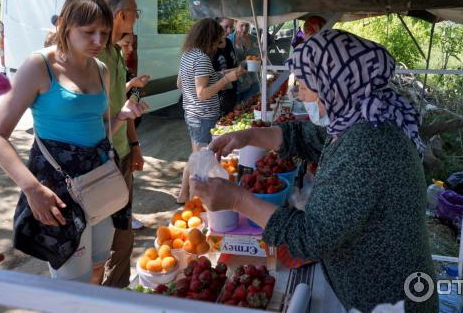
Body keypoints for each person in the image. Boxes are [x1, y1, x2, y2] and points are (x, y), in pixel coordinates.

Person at [194, 29, 438, 312]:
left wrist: (237, 200)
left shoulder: (368, 144)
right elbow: (310, 137)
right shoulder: (367, 118)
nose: (300, 93)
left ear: (333, 86)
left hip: (389, 299)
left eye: (306, 85)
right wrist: (248, 136)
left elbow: (310, 236)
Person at [0, 0, 146, 283]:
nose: (98, 41)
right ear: (65, 27)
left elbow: (98, 133)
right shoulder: (38, 66)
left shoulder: (101, 69)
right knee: (71, 281)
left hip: (100, 183)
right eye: (88, 33)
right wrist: (32, 189)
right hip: (59, 192)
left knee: (98, 265)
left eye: (104, 33)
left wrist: (121, 117)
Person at [93, 0, 149, 287]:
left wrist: (135, 145)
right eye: (135, 14)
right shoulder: (92, 56)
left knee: (123, 241)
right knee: (97, 251)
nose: (136, 19)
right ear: (121, 15)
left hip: (123, 157)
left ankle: (116, 296)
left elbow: (123, 106)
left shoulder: (115, 53)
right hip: (99, 163)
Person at [176, 18, 244, 203]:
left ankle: (183, 194)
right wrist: (225, 80)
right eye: (217, 39)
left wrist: (224, 74)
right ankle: (192, 202)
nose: (218, 45)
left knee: (196, 156)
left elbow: (180, 83)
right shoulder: (203, 58)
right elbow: (203, 93)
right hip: (203, 116)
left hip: (191, 114)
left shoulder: (187, 55)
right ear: (210, 38)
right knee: (201, 162)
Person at [213, 18, 239, 116]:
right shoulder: (208, 47)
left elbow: (233, 63)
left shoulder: (228, 42)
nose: (229, 31)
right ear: (216, 25)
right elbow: (208, 76)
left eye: (231, 27)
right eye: (226, 27)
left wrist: (243, 65)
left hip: (232, 92)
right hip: (217, 97)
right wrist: (232, 73)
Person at [229, 20, 260, 104]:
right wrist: (244, 62)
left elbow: (261, 56)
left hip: (253, 82)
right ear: (235, 23)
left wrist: (259, 59)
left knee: (254, 110)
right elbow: (228, 65)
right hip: (236, 85)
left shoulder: (254, 39)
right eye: (242, 25)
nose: (244, 28)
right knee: (237, 113)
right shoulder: (229, 41)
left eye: (247, 25)